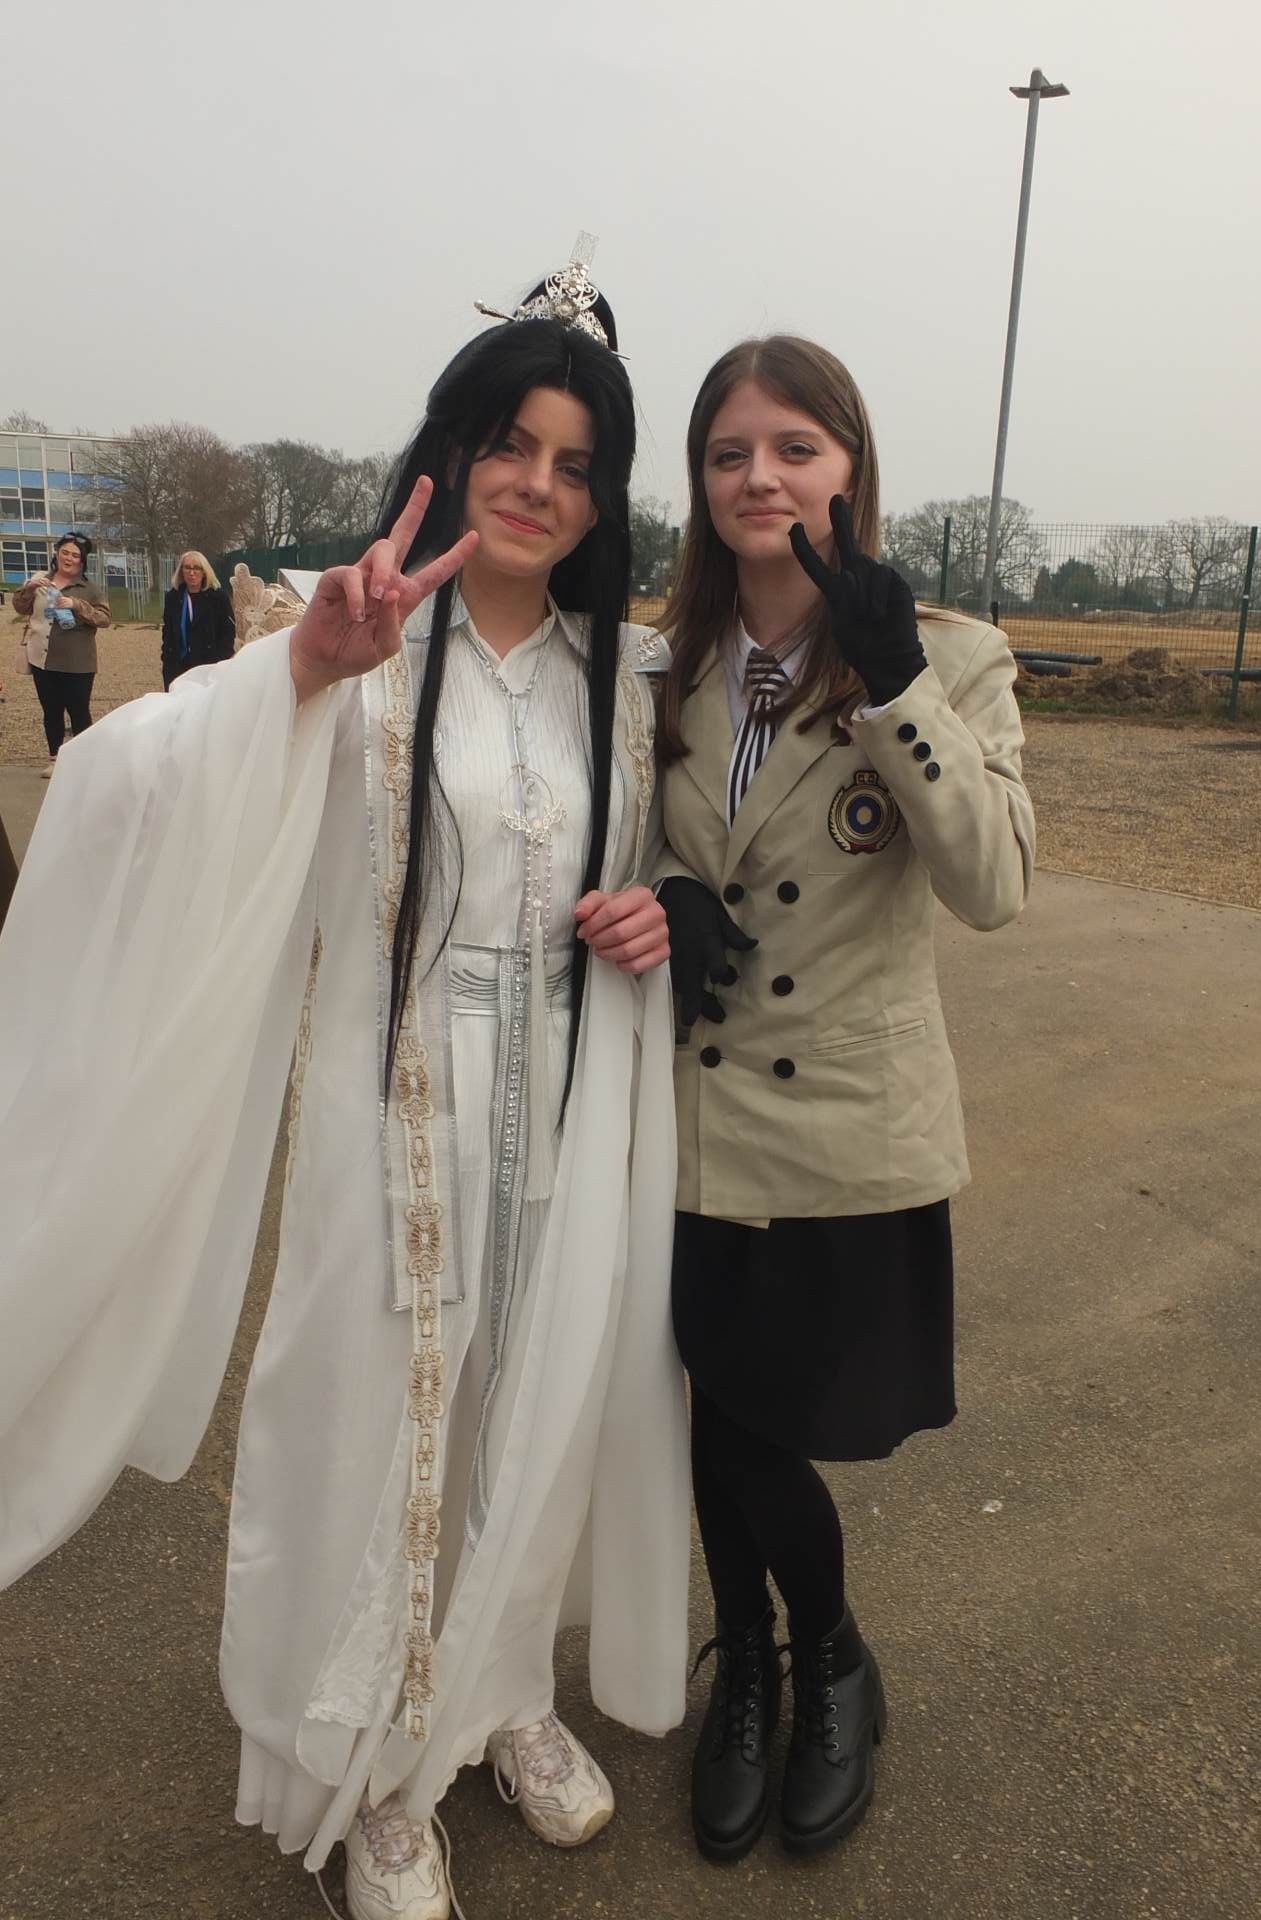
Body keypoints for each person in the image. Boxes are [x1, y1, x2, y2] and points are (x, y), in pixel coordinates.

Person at [0, 261, 690, 1920]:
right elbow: (126, 782)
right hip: (393, 1110)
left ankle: (499, 1689)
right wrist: (299, 677)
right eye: (511, 443)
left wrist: (658, 911)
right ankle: (366, 1765)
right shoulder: (349, 621)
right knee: (366, 1416)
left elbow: (656, 861)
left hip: (571, 1109)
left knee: (539, 1397)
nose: (537, 484)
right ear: (451, 449)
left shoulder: (624, 672)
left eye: (577, 462)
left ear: (605, 497)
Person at [654, 336, 1036, 1861]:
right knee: (708, 1411)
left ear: (851, 469)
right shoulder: (666, 660)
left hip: (841, 1124)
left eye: (795, 447)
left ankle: (829, 1658)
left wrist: (897, 686)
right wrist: (668, 885)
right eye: (729, 451)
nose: (761, 476)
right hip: (686, 1118)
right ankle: (748, 1672)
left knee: (763, 1424)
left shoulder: (952, 653)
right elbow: (632, 834)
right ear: (700, 480)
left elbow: (993, 885)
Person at [11, 532, 111, 775]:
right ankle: (55, 759)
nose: (69, 558)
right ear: (56, 554)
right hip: (43, 659)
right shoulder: (41, 581)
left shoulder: (89, 588)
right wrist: (29, 588)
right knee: (51, 711)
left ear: (82, 561)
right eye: (65, 552)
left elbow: (105, 619)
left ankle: (83, 762)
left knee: (79, 712)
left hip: (77, 663)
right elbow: (20, 607)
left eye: (75, 555)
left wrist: (76, 605)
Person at [162, 550, 236, 688]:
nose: (192, 573)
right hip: (180, 666)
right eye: (187, 568)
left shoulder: (218, 598)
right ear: (181, 571)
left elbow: (228, 633)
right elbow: (168, 634)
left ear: (204, 572)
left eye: (196, 568)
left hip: (209, 665)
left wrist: (220, 662)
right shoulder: (173, 598)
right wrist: (167, 663)